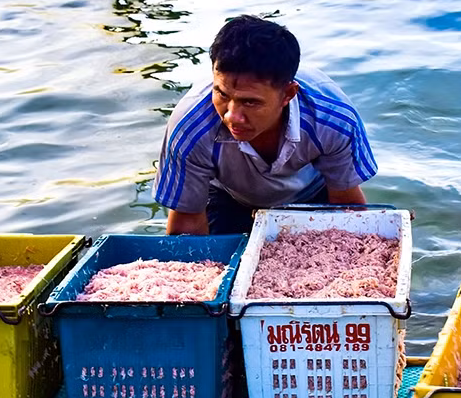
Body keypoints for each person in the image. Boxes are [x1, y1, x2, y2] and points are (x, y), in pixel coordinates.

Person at [153, 15, 377, 234]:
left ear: (288, 94)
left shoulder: (333, 119)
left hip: (312, 195)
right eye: (221, 94)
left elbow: (347, 205)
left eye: (250, 102)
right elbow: (186, 225)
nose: (232, 116)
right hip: (228, 199)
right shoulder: (191, 127)